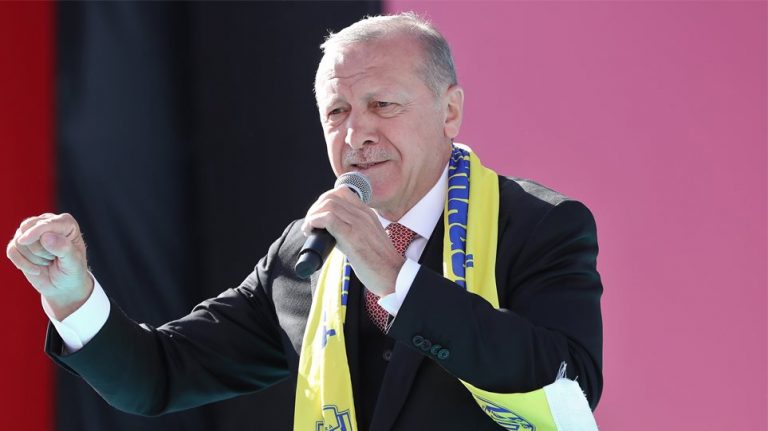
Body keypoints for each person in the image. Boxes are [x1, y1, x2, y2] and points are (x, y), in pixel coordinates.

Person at [6, 13, 602, 430]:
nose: (357, 134)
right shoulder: (307, 252)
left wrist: (395, 277)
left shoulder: (542, 227)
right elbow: (159, 376)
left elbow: (569, 382)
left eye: (383, 105)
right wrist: (73, 295)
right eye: (337, 112)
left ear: (450, 111)